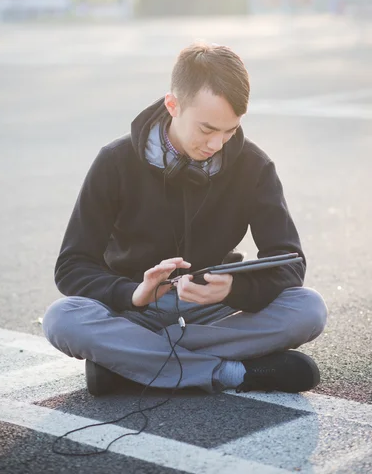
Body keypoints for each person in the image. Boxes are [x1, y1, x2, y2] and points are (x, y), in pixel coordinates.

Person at [43, 42, 328, 397]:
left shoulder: (255, 166)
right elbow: (72, 266)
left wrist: (236, 289)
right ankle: (230, 373)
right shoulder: (114, 162)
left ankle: (134, 363)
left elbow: (289, 261)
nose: (217, 144)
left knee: (309, 308)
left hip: (213, 311)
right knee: (62, 319)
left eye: (230, 130)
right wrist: (133, 293)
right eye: (207, 129)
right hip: (134, 312)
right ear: (172, 105)